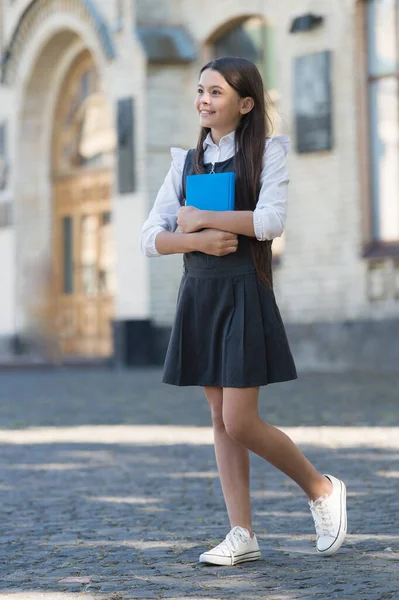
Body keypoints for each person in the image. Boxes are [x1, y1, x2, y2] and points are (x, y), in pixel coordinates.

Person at [140, 56, 347, 566]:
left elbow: (271, 221)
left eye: (217, 92)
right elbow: (150, 238)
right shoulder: (182, 162)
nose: (204, 100)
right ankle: (242, 533)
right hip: (199, 294)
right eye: (201, 90)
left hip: (244, 292)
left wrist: (200, 217)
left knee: (239, 419)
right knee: (218, 418)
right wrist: (198, 239)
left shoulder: (268, 153)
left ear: (245, 103)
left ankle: (320, 488)